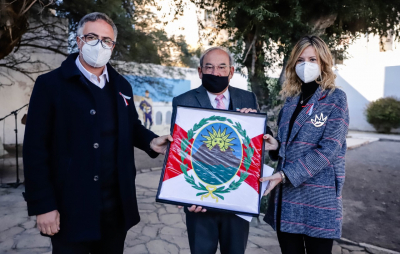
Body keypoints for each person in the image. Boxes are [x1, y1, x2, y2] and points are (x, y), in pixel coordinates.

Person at [22, 12, 172, 254]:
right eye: (92, 37)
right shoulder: (50, 85)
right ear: (79, 40)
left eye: (107, 40)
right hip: (70, 206)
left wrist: (151, 142)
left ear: (113, 46)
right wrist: (43, 205)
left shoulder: (122, 85)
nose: (99, 45)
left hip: (115, 207)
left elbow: (131, 125)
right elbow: (34, 149)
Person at [170, 46, 273, 254]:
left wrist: (254, 121)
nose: (215, 73)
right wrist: (185, 196)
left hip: (236, 201)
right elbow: (179, 152)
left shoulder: (247, 98)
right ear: (200, 71)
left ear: (231, 72)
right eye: (209, 67)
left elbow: (261, 138)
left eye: (221, 67)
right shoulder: (183, 101)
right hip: (199, 202)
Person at [260, 35, 349, 254]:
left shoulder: (335, 98)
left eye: (312, 59)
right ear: (293, 64)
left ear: (323, 63)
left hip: (318, 196)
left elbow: (329, 150)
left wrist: (283, 175)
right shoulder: (291, 100)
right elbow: (290, 144)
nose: (305, 65)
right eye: (300, 60)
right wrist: (276, 145)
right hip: (288, 197)